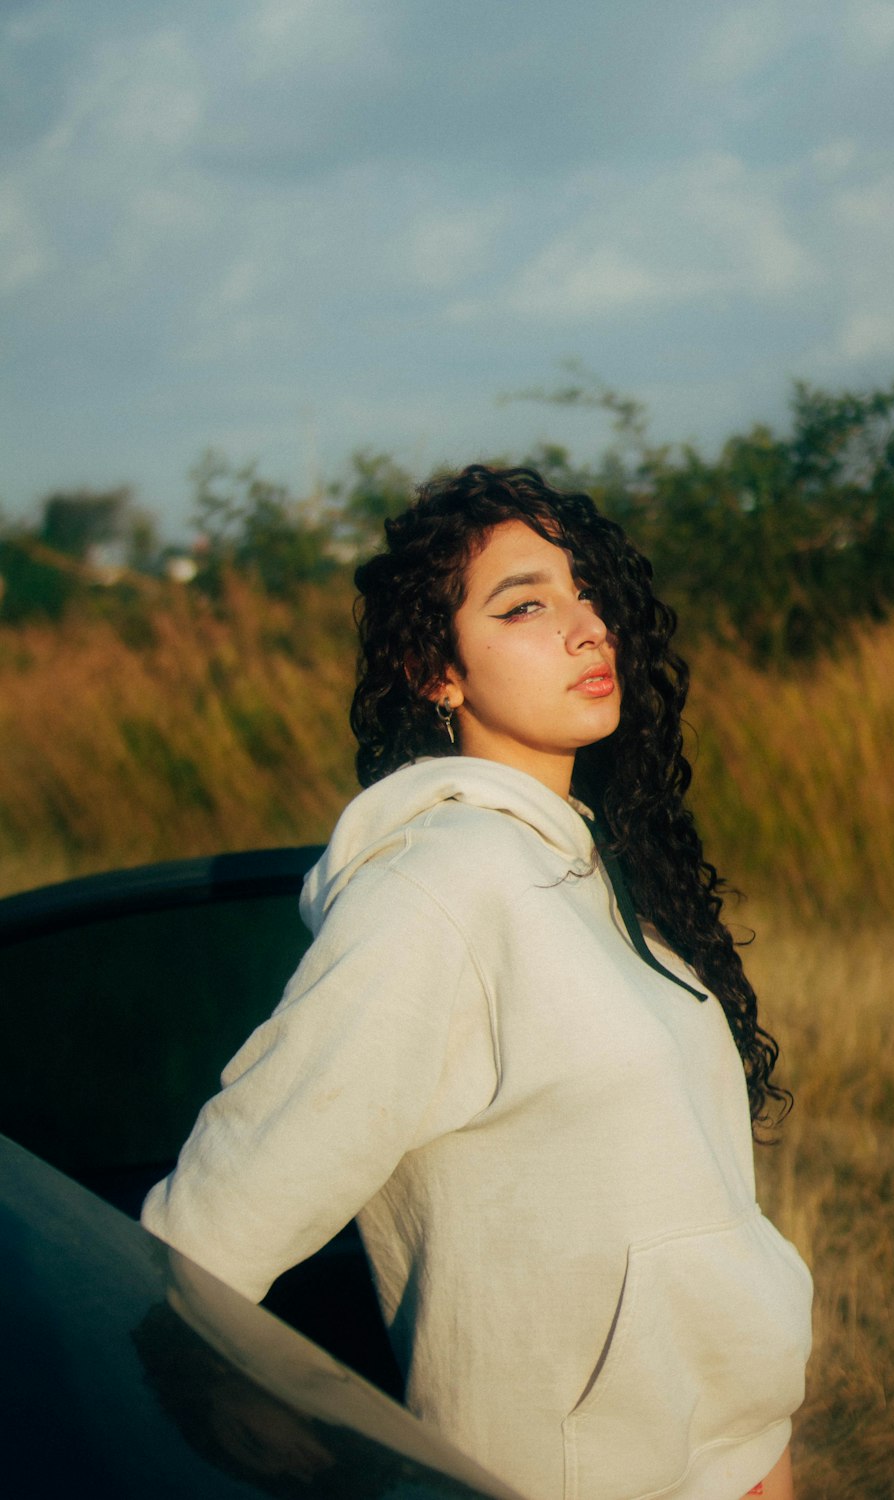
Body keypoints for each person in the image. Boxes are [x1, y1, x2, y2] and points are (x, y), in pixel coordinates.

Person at [142, 464, 813, 1500]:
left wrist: (756, 1442)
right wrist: (203, 1412)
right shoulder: (437, 890)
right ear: (435, 671)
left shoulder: (589, 872)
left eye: (587, 594)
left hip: (722, 1457)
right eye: (526, 605)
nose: (587, 628)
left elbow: (686, 1203)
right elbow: (216, 1224)